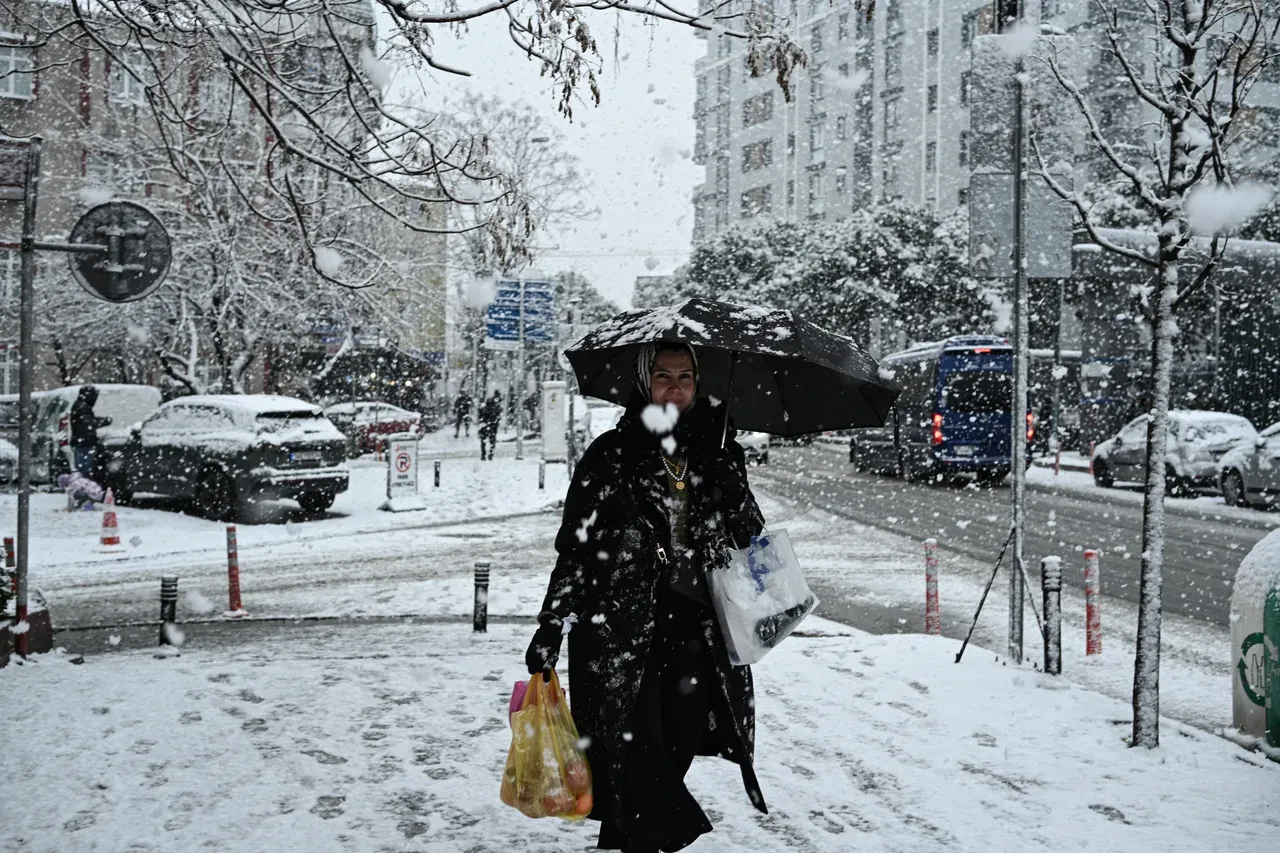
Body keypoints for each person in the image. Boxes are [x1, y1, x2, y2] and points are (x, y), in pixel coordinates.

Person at [525, 342, 768, 853]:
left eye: (685, 376)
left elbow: (750, 540)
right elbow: (576, 546)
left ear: (699, 384)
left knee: (675, 746)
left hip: (699, 630)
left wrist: (730, 487)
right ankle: (654, 838)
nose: (674, 387)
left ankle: (622, 839)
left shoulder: (720, 450)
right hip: (618, 630)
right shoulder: (611, 455)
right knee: (635, 752)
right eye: (662, 375)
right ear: (643, 382)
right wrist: (552, 621)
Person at [69, 385, 111, 478]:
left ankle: (83, 485)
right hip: (85, 443)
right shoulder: (82, 407)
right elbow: (89, 423)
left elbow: (88, 421)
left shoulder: (80, 406)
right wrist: (104, 421)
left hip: (81, 442)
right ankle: (85, 486)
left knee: (83, 469)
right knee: (85, 470)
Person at [478, 390, 502, 461]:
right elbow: (497, 417)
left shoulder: (484, 409)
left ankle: (483, 454)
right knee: (492, 441)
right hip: (491, 426)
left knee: (483, 441)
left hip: (485, 425)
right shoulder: (495, 408)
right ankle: (490, 454)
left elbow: (480, 417)